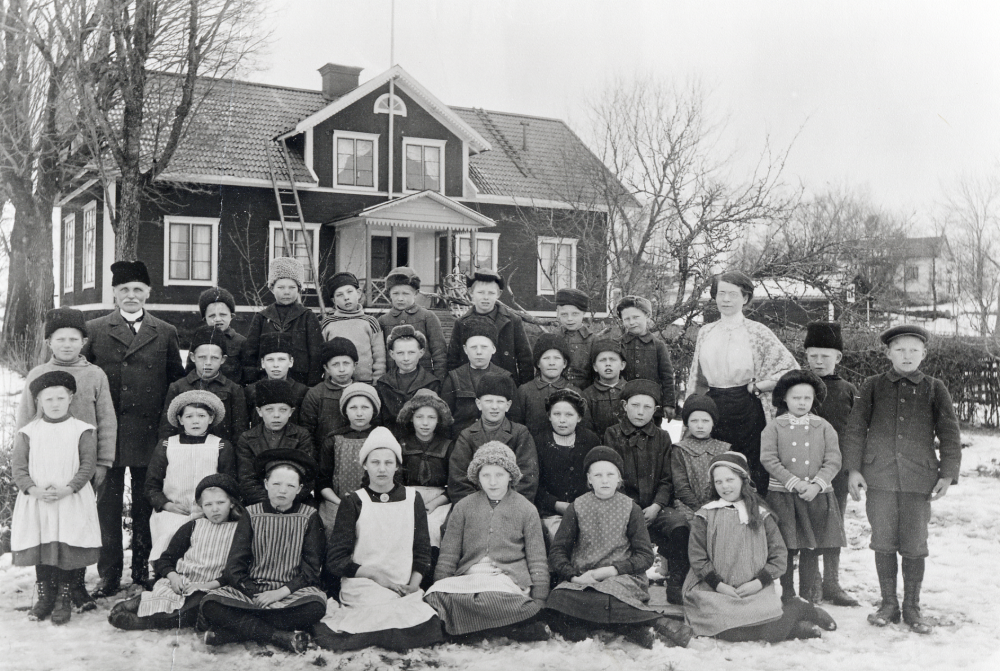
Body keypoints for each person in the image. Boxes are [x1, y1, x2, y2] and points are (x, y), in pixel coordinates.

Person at [842, 325, 961, 635]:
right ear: (888, 353)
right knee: (882, 540)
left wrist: (948, 474)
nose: (907, 356)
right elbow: (855, 428)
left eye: (913, 350)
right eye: (900, 350)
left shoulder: (935, 388)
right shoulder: (872, 385)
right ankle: (888, 604)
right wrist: (853, 469)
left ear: (924, 354)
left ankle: (912, 606)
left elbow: (949, 432)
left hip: (919, 480)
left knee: (914, 543)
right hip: (879, 478)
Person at [85, 260, 186, 596]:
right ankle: (109, 574)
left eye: (138, 290)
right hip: (109, 435)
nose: (131, 295)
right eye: (124, 289)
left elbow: (175, 384)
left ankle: (143, 570)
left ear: (148, 293)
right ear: (114, 293)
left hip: (149, 434)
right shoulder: (95, 329)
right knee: (107, 506)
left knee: (147, 504)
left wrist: (168, 431)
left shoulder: (165, 331)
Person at [17, 307, 116, 612]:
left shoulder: (95, 375)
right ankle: (48, 589)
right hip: (45, 468)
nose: (67, 344)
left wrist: (103, 462)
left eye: (74, 339)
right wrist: (28, 473)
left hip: (80, 467)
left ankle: (76, 587)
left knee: (77, 524)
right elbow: (25, 422)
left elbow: (106, 419)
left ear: (84, 341)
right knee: (47, 526)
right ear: (49, 342)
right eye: (60, 339)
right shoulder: (37, 375)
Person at [547, 446, 693, 649]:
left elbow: (645, 556)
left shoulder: (630, 508)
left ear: (619, 479)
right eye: (598, 475)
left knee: (607, 595)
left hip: (620, 577)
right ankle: (632, 627)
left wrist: (612, 570)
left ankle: (652, 622)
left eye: (610, 474)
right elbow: (558, 551)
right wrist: (573, 577)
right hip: (584, 578)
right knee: (557, 599)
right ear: (589, 479)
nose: (604, 480)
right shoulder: (576, 507)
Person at [683, 452, 837, 642]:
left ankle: (800, 609)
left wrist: (758, 582)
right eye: (718, 482)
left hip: (754, 590)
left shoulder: (761, 515)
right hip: (713, 590)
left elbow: (779, 556)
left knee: (769, 632)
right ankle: (793, 627)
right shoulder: (705, 515)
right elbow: (697, 557)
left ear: (743, 480)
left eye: (730, 480)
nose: (725, 486)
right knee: (721, 630)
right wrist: (718, 585)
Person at [315, 432, 443, 652]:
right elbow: (336, 560)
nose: (382, 469)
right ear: (365, 465)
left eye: (388, 462)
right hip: (365, 585)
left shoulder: (413, 498)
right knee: (375, 622)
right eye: (375, 462)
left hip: (402, 584)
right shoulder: (353, 501)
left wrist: (414, 585)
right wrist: (375, 576)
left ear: (397, 466)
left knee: (425, 624)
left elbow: (422, 550)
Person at [200, 449, 326, 654]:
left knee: (315, 607)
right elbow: (234, 566)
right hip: (253, 590)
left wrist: (279, 593)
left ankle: (233, 633)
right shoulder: (251, 514)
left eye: (290, 486)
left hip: (291, 591)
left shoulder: (309, 516)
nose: (282, 491)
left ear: (300, 489)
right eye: (276, 484)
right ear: (266, 484)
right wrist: (257, 595)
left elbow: (311, 569)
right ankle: (280, 636)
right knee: (211, 604)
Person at [425, 442, 551, 643]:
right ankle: (503, 627)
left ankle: (464, 628)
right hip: (468, 579)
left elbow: (537, 560)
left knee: (499, 600)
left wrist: (540, 599)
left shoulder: (526, 509)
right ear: (478, 477)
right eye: (486, 475)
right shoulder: (463, 507)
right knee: (434, 598)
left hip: (505, 580)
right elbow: (448, 554)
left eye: (499, 475)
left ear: (510, 476)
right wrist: (440, 585)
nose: (493, 482)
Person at [685, 271, 798, 495]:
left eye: (733, 294)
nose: (726, 299)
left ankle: (752, 512)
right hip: (712, 407)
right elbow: (697, 376)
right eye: (721, 293)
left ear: (745, 298)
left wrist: (760, 386)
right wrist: (691, 407)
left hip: (747, 407)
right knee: (717, 466)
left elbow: (791, 370)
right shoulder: (706, 332)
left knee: (749, 470)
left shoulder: (758, 332)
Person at [11, 371, 102, 626]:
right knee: (43, 544)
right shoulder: (28, 432)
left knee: (69, 545)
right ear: (38, 400)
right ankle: (45, 597)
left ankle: (64, 596)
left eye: (60, 398)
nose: (54, 404)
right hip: (38, 500)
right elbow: (19, 467)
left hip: (71, 499)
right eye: (48, 399)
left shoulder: (82, 430)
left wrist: (69, 488)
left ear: (70, 398)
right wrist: (33, 490)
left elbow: (87, 465)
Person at [108, 474, 242, 631]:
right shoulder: (194, 526)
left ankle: (149, 622)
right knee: (164, 597)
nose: (215, 509)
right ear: (200, 506)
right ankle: (138, 604)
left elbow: (237, 569)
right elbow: (166, 559)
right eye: (208, 504)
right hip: (183, 582)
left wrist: (206, 585)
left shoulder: (240, 530)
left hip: (214, 586)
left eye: (221, 502)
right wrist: (173, 577)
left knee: (198, 605)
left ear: (232, 503)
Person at [760, 370, 846, 605]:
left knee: (811, 546)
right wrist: (794, 482)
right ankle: (788, 595)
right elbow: (769, 459)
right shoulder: (774, 427)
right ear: (784, 398)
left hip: (815, 496)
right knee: (787, 547)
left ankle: (808, 596)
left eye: (807, 398)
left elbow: (834, 459)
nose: (802, 402)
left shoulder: (824, 426)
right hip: (784, 496)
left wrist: (817, 485)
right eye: (796, 397)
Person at [603, 379, 688, 605]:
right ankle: (625, 582)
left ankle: (676, 582)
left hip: (655, 507)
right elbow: (611, 477)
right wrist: (630, 508)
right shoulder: (612, 435)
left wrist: (657, 506)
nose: (640, 412)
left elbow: (667, 479)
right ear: (624, 406)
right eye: (635, 405)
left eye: (647, 407)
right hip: (623, 507)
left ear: (655, 410)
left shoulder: (662, 437)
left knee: (679, 525)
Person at [803, 321, 860, 606]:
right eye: (812, 355)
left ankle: (832, 583)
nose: (818, 361)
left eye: (825, 355)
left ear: (838, 357)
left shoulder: (848, 390)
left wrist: (852, 469)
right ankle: (811, 583)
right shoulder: (797, 388)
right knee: (809, 527)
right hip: (803, 473)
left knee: (833, 526)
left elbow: (855, 433)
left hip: (836, 473)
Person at [146, 390, 237, 567]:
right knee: (167, 548)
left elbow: (229, 484)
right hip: (173, 513)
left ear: (211, 418)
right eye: (189, 416)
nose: (195, 421)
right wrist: (167, 505)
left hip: (209, 514)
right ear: (180, 420)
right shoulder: (167, 445)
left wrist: (212, 508)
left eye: (201, 416)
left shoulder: (220, 446)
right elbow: (151, 486)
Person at [448, 373, 539, 504]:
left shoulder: (520, 434)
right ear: (478, 404)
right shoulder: (467, 436)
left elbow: (527, 479)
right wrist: (483, 507)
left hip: (511, 505)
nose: (494, 407)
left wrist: (503, 506)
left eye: (500, 401)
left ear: (508, 405)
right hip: (476, 506)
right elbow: (458, 481)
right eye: (488, 401)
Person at [241, 257, 324, 386]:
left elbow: (316, 353)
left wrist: (312, 384)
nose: (286, 292)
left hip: (300, 382)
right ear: (272, 288)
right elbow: (250, 352)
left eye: (292, 287)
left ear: (299, 289)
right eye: (281, 287)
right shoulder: (261, 318)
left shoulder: (307, 317)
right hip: (266, 382)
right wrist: (252, 381)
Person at [159, 326, 247, 444]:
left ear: (223, 359)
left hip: (220, 451)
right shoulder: (177, 387)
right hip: (184, 450)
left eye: (214, 358)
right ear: (192, 357)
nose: (208, 363)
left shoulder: (234, 389)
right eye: (202, 357)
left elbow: (239, 430)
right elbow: (167, 428)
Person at [533, 388, 601, 540]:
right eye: (557, 414)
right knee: (560, 539)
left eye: (569, 415)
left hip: (586, 510)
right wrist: (555, 504)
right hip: (550, 513)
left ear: (579, 417)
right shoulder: (539, 442)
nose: (562, 420)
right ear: (549, 416)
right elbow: (534, 484)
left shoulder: (590, 440)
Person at [235, 379, 315, 507]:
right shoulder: (247, 438)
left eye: (283, 410)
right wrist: (270, 504)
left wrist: (286, 502)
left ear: (291, 412)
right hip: (259, 503)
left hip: (294, 503)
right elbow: (247, 480)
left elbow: (307, 477)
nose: (276, 415)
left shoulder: (301, 436)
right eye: (269, 409)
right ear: (259, 411)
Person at [446, 269, 533, 385]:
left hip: (505, 386)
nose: (486, 297)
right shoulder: (461, 323)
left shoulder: (513, 321)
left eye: (491, 293)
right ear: (471, 292)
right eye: (481, 292)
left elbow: (525, 360)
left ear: (499, 294)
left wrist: (522, 389)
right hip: (470, 386)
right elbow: (452, 360)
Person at [316, 383, 380, 534]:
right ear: (345, 410)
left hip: (375, 502)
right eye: (353, 407)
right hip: (337, 502)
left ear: (374, 410)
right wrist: (340, 503)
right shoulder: (334, 439)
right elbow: (323, 481)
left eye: (365, 407)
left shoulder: (380, 437)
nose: (359, 413)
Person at [397, 389, 454, 548]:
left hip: (440, 501)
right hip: (407, 500)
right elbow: (396, 481)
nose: (425, 423)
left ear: (439, 419)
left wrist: (435, 503)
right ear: (411, 418)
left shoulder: (448, 446)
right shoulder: (402, 444)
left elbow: (455, 482)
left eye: (431, 417)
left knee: (434, 528)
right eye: (419, 417)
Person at [440, 318, 512, 437]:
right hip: (460, 441)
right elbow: (444, 419)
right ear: (465, 349)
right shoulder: (454, 378)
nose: (479, 352)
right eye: (473, 347)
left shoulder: (505, 377)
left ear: (493, 349)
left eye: (484, 347)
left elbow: (514, 418)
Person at [510, 332, 589, 437]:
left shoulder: (575, 392)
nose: (552, 363)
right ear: (538, 363)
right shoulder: (524, 391)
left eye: (557, 358)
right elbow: (516, 426)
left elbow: (585, 428)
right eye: (546, 358)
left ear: (564, 363)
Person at [378, 266, 447, 381]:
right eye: (395, 293)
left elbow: (439, 353)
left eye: (406, 293)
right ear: (389, 293)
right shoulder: (383, 321)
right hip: (393, 382)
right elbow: (380, 356)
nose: (400, 298)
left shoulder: (428, 317)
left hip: (424, 381)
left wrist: (439, 381)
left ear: (416, 293)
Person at [616, 295, 676, 421]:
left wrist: (669, 403)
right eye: (626, 319)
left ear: (647, 316)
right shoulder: (618, 345)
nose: (631, 322)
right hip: (625, 405)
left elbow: (667, 376)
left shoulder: (658, 346)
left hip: (652, 406)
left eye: (636, 317)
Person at [670, 395, 730, 519]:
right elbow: (680, 486)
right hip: (688, 506)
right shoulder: (680, 449)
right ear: (687, 423)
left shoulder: (724, 449)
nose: (700, 426)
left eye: (705, 421)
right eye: (694, 421)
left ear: (713, 422)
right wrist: (699, 509)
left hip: (719, 504)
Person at [321, 271, 385, 383]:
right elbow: (321, 356)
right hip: (335, 384)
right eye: (339, 295)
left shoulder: (370, 322)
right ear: (334, 300)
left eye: (349, 292)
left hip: (366, 384)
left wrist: (377, 383)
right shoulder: (328, 323)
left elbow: (379, 358)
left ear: (358, 293)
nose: (346, 297)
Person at [376, 325, 441, 432]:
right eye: (400, 353)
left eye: (411, 352)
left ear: (421, 353)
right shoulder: (383, 383)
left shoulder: (431, 383)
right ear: (392, 354)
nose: (406, 358)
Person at [299, 337, 357, 445]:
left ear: (354, 365)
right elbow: (307, 431)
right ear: (326, 368)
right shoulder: (316, 394)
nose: (341, 369)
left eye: (346, 363)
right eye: (335, 364)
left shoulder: (364, 391)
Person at [244, 333, 309, 427]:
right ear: (263, 363)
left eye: (281, 359)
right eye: (270, 360)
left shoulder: (301, 391)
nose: (275, 365)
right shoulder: (251, 391)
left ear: (291, 362)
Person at [190, 287, 246, 384]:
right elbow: (190, 370)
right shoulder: (198, 340)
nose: (218, 319)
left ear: (232, 316)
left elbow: (247, 373)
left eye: (223, 314)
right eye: (212, 316)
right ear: (205, 319)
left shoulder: (241, 342)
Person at [581, 339, 627, 438]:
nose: (608, 364)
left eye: (612, 359)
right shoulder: (587, 395)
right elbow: (586, 429)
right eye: (602, 360)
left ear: (622, 365)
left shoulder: (631, 391)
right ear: (595, 367)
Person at [554, 288, 596, 389]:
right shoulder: (553, 338)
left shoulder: (593, 340)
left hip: (585, 391)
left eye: (575, 314)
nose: (569, 319)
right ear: (557, 313)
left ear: (584, 313)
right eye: (564, 314)